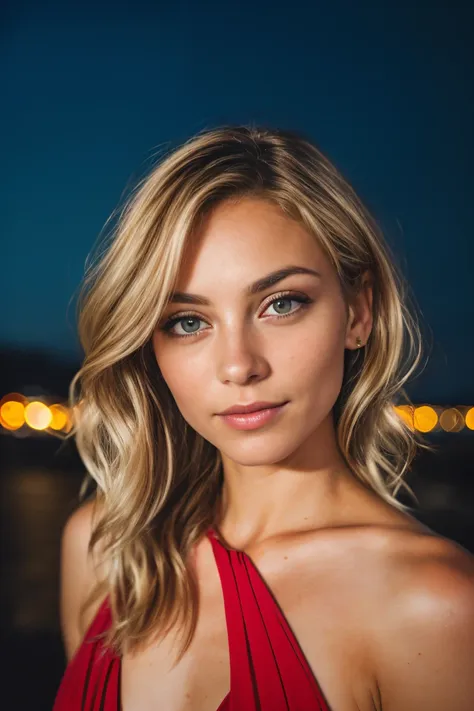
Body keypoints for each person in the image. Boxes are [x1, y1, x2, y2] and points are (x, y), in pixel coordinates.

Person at [53, 124, 474, 711]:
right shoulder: (107, 552)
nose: (238, 366)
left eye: (281, 304)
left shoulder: (435, 605)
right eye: (188, 322)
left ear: (358, 311)